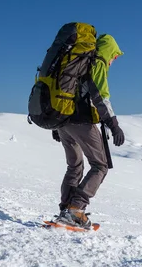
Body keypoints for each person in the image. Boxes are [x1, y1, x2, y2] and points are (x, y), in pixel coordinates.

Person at [52, 33, 125, 228]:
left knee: (74, 166)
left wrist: (56, 122)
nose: (113, 60)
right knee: (100, 165)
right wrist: (114, 124)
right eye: (114, 56)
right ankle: (76, 210)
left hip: (62, 120)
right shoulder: (97, 62)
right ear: (109, 51)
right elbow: (100, 96)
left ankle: (65, 210)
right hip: (80, 121)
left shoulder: (76, 62)